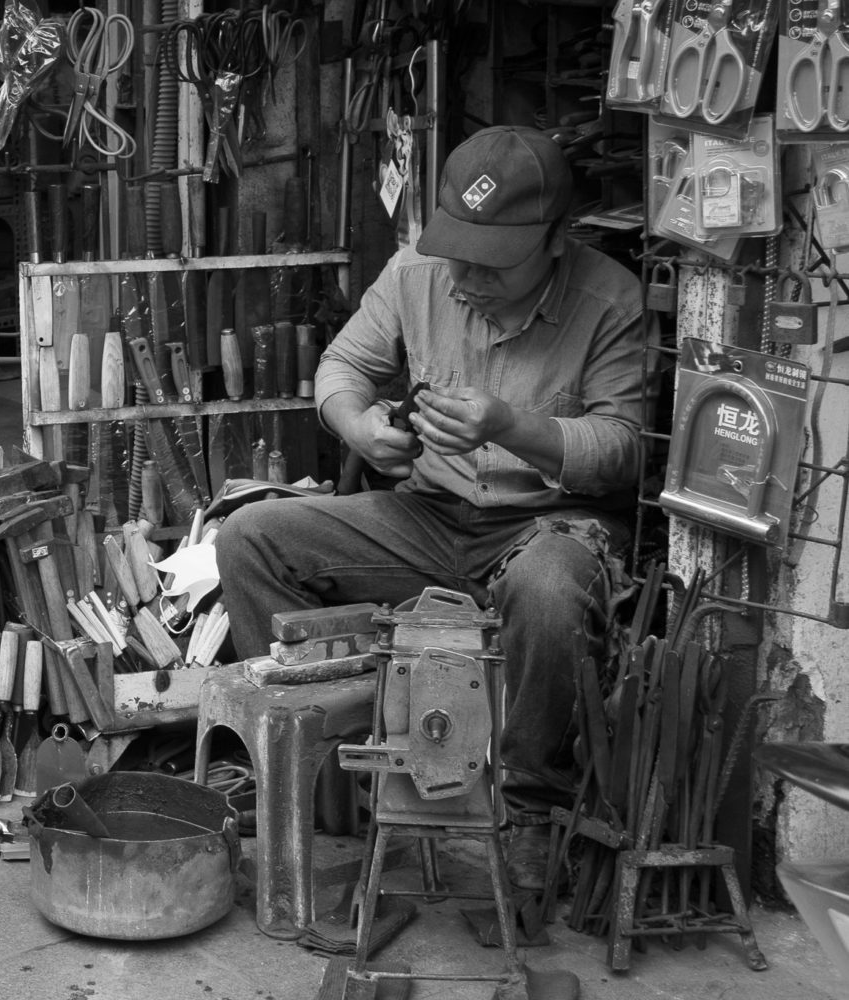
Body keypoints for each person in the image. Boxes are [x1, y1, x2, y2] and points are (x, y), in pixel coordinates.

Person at [216, 126, 644, 891]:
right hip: (429, 518)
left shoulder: (609, 299)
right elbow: (343, 366)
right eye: (458, 253)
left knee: (549, 585)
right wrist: (358, 427)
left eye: (492, 262)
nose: (467, 278)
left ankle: (532, 812)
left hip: (550, 525)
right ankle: (325, 778)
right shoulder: (415, 272)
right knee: (251, 537)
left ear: (555, 239)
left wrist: (511, 427)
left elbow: (623, 450)